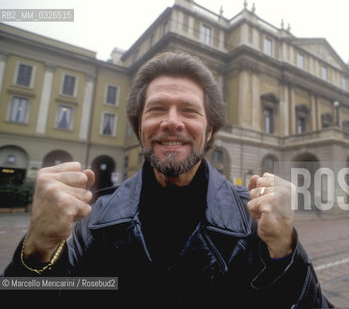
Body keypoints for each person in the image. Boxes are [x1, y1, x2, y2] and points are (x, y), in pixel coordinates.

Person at [1, 52, 331, 308]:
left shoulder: (254, 218)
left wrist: (286, 250)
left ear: (210, 129)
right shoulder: (94, 217)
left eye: (188, 111)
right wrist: (36, 249)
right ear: (139, 127)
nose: (172, 122)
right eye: (157, 109)